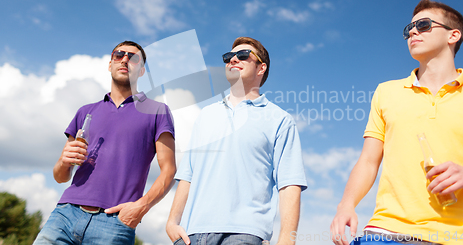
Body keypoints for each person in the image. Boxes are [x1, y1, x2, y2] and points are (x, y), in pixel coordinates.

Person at [331, 0, 463, 245]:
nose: (412, 31)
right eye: (408, 29)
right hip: (386, 233)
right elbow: (368, 161)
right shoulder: (386, 92)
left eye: (423, 25)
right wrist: (346, 205)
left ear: (453, 35)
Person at [166, 37, 307, 245]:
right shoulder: (205, 115)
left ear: (261, 68)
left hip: (243, 236)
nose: (233, 60)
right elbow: (188, 174)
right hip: (191, 235)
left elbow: (289, 185)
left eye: (242, 55)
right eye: (228, 57)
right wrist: (172, 222)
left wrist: (286, 241)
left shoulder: (280, 120)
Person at [34, 41, 176, 244]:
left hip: (114, 223)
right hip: (64, 215)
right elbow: (60, 177)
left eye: (133, 57)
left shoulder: (157, 111)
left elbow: (169, 170)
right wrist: (64, 162)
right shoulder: (85, 111)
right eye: (119, 55)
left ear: (142, 70)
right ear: (110, 64)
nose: (125, 59)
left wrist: (140, 208)